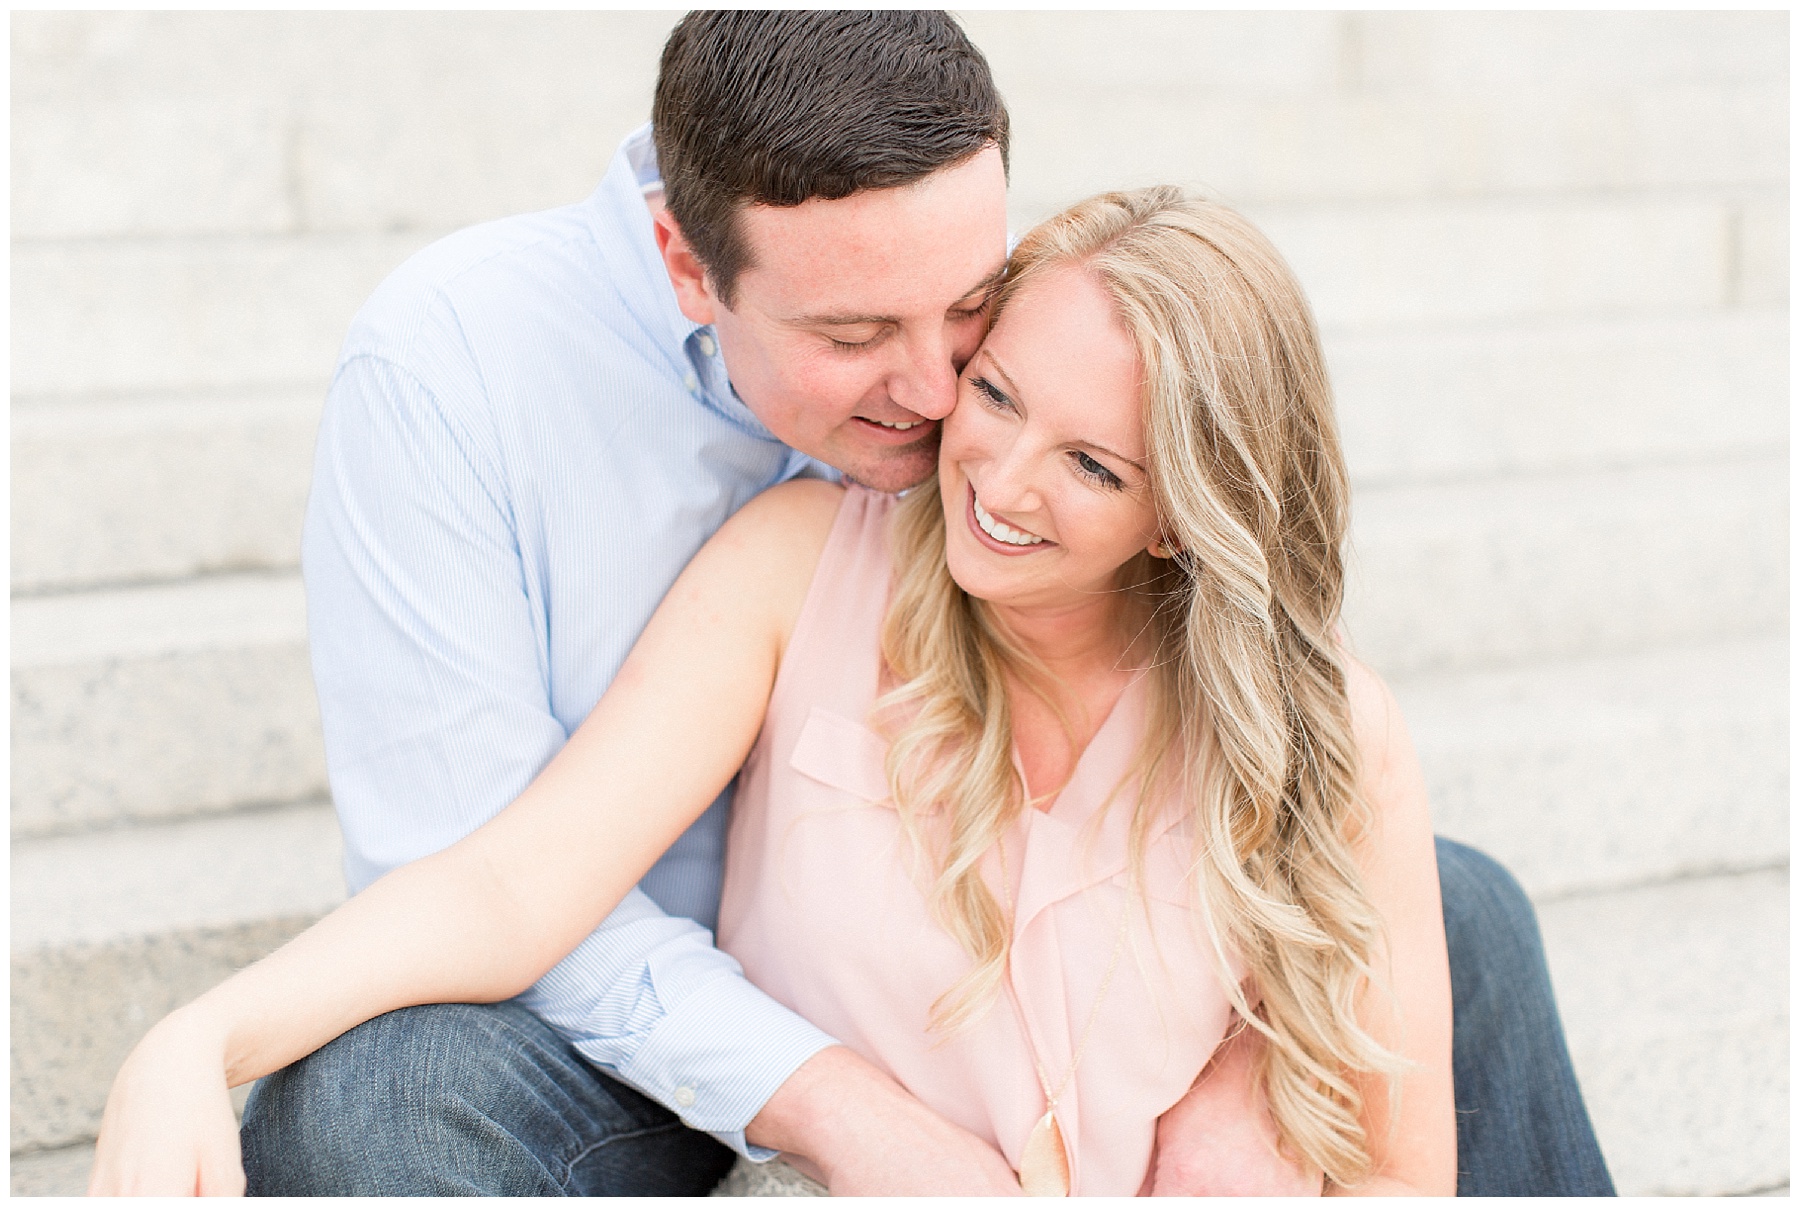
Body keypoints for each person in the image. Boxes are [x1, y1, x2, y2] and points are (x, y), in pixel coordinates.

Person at [100, 11, 1614, 1196]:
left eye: (970, 321)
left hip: (1036, 1012)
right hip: (661, 1020)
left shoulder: (975, 338)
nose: (949, 410)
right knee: (374, 1091)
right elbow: (503, 886)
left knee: (1444, 898)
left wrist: (1253, 1071)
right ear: (689, 265)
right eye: (861, 337)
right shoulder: (511, 403)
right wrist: (201, 1035)